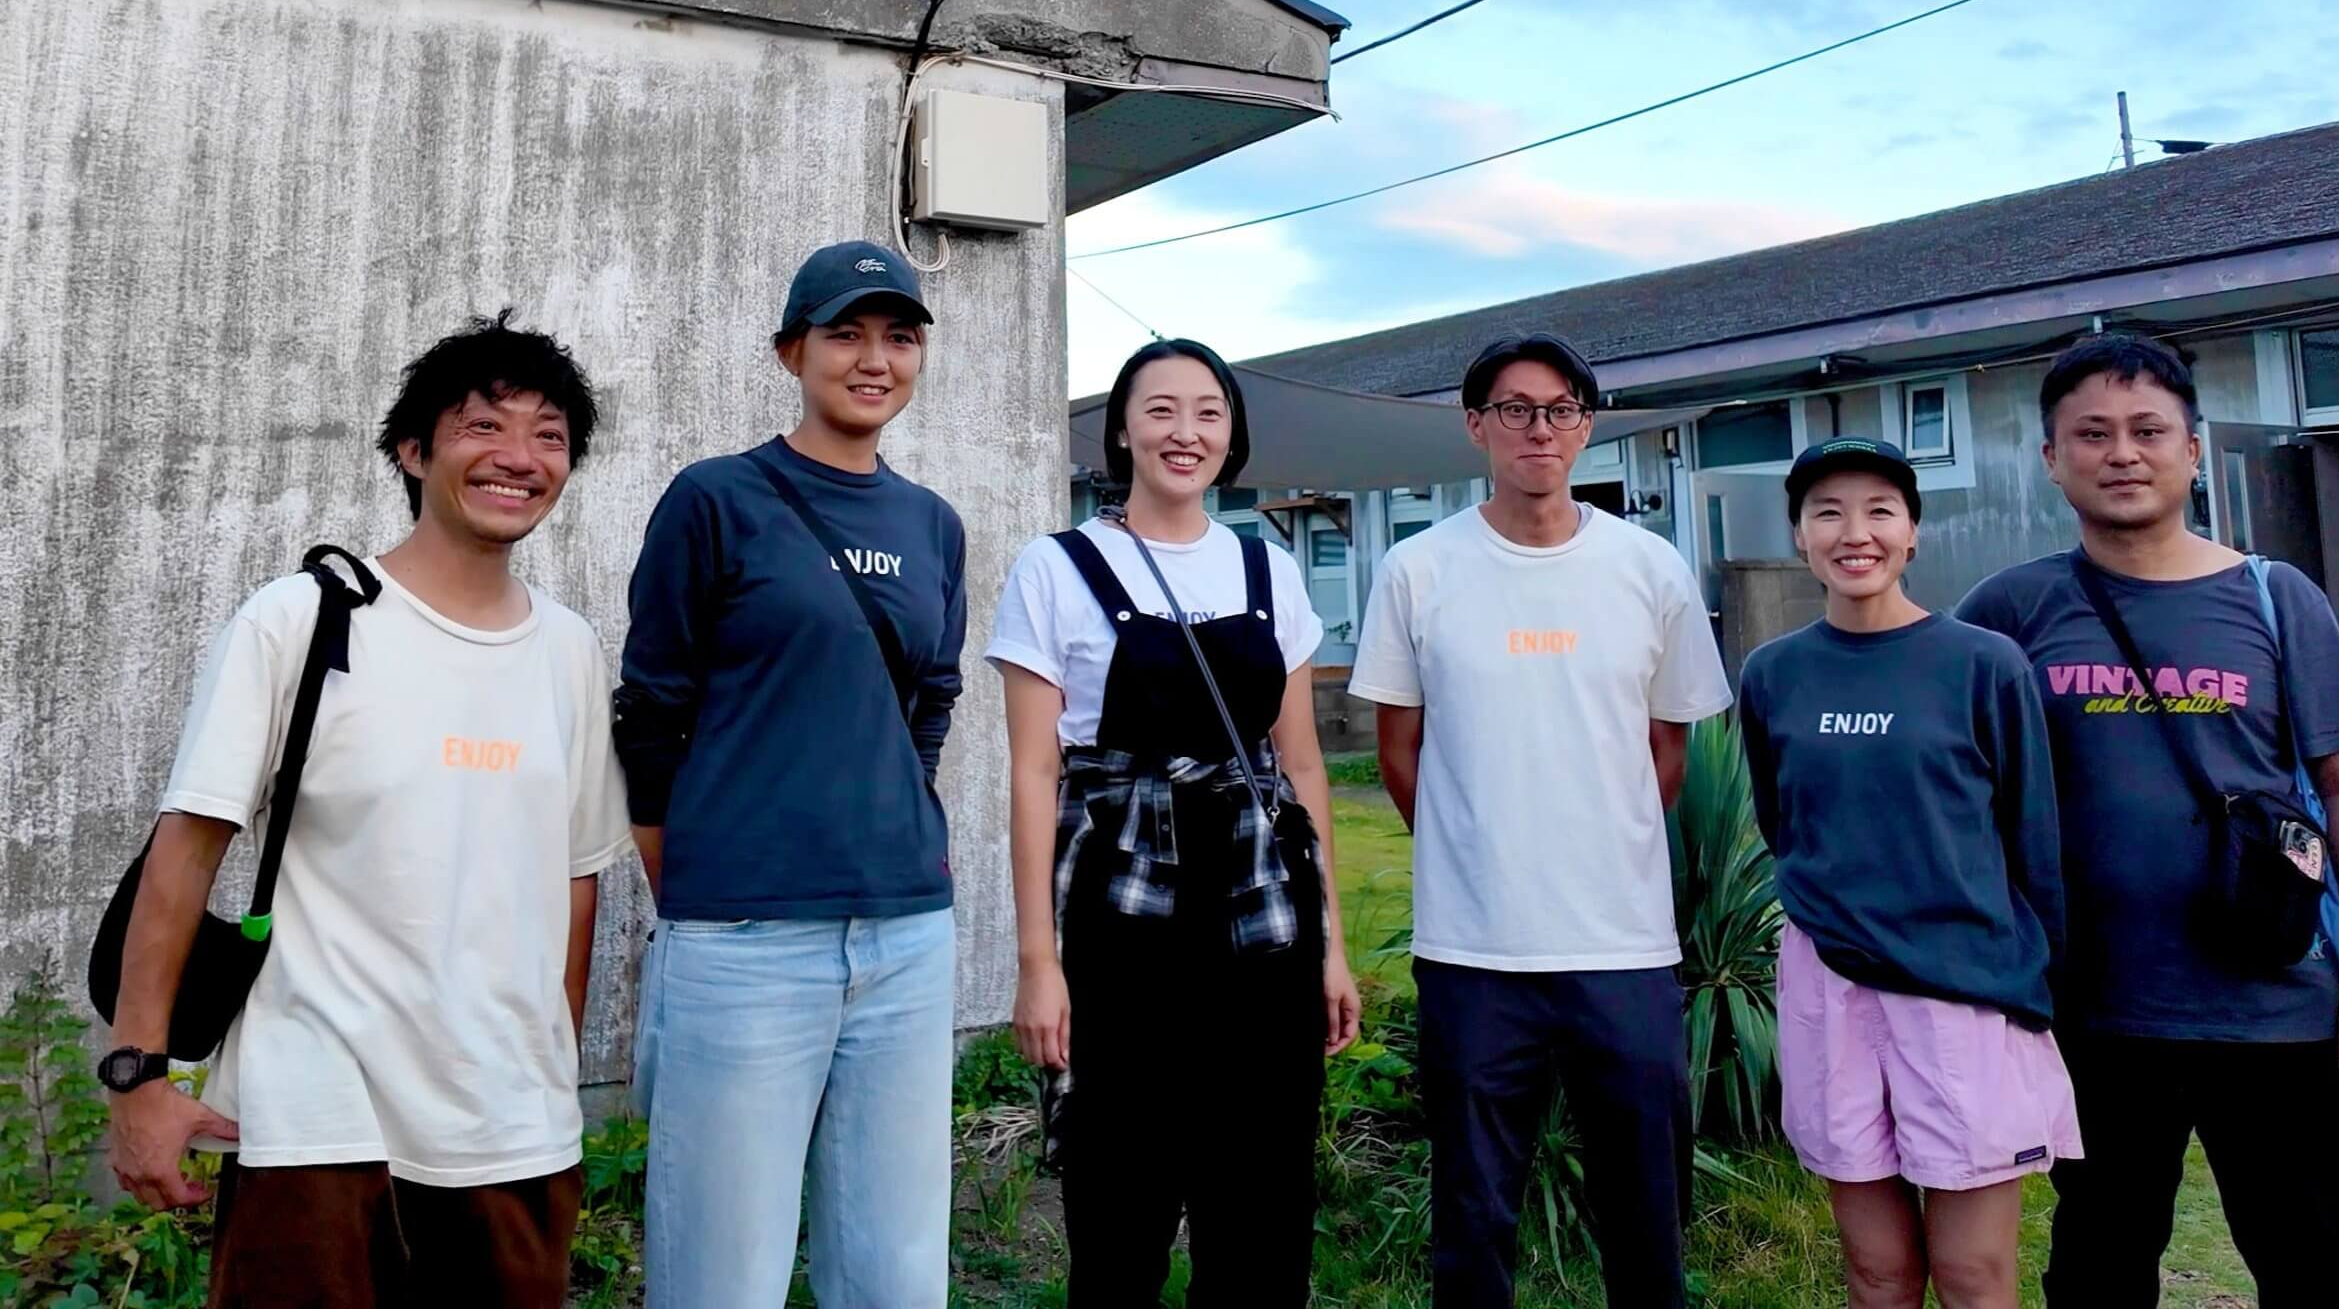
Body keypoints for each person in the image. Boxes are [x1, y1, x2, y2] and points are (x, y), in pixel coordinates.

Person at [102, 312, 630, 1307]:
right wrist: (139, 1079)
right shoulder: (299, 620)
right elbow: (185, 851)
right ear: (411, 449)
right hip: (315, 1116)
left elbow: (574, 879)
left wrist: (547, 1081)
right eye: (483, 427)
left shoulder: (567, 651)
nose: (519, 458)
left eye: (550, 436)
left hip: (508, 1129)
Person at [1955, 331, 2339, 1308]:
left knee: (2316, 1269)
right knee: (2098, 1268)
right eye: (2091, 433)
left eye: (2146, 430)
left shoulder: (2273, 596)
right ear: (2051, 458)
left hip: (2282, 1010)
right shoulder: (2009, 609)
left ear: (2191, 449)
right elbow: (1951, 785)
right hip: (2093, 1015)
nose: (2121, 452)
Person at [615, 240, 969, 1308]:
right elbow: (651, 709)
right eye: (846, 333)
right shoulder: (717, 499)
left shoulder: (931, 525)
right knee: (725, 1272)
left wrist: (903, 827)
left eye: (898, 336)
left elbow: (932, 702)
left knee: (897, 1272)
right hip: (744, 938)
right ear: (791, 351)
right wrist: (699, 881)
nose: (875, 359)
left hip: (907, 936)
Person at [1349, 333, 1730, 1309]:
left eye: (1559, 408)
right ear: (1476, 426)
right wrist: (1476, 839)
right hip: (1474, 951)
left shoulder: (1648, 569)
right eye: (1514, 408)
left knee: (1647, 1213)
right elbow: (1401, 751)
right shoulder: (1418, 570)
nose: (1538, 427)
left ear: (1585, 426)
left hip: (1623, 947)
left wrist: (1598, 841)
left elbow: (1668, 751)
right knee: (1472, 1222)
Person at [989, 339, 1361, 1307]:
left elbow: (1300, 764)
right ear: (1121, 429)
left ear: (1230, 434)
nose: (1182, 432)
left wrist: (1331, 949)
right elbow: (1033, 773)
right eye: (1159, 410)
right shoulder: (1057, 566)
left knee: (1264, 1196)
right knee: (1121, 1196)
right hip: (1123, 913)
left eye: (1206, 411)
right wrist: (1038, 962)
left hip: (1263, 912)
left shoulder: (1265, 570)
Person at [1738, 437, 2076, 1309]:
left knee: (1974, 1273)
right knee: (1878, 1272)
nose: (1856, 533)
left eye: (1880, 510)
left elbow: (2029, 837)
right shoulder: (1773, 673)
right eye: (1828, 512)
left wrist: (2037, 988)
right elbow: (1785, 824)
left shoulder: (1982, 663)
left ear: (1914, 533)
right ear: (1801, 536)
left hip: (1960, 990)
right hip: (1831, 987)